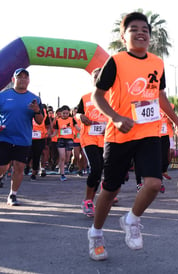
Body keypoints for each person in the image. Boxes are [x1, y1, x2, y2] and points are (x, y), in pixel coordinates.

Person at [86, 12, 178, 261]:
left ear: (150, 36)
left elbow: (160, 97)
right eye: (134, 29)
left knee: (153, 183)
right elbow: (98, 96)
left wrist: (177, 120)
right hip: (119, 134)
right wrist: (116, 118)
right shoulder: (116, 61)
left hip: (149, 131)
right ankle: (96, 233)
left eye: (145, 29)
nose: (141, 32)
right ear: (124, 35)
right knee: (110, 190)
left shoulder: (157, 63)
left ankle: (131, 219)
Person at [0, 68, 44, 206]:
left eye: (25, 77)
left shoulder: (35, 99)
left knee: (19, 167)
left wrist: (37, 110)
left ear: (29, 81)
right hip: (3, 136)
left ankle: (13, 195)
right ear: (13, 80)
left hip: (23, 138)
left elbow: (40, 120)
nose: (22, 79)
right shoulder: (2, 96)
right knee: (2, 167)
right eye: (19, 77)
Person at [76, 67, 108, 217]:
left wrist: (109, 126)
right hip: (88, 137)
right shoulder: (85, 97)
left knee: (104, 169)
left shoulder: (112, 96)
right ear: (92, 80)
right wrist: (80, 117)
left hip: (106, 138)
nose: (97, 78)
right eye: (95, 76)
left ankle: (105, 192)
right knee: (95, 168)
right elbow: (76, 113)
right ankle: (88, 201)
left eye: (100, 76)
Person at [52, 105, 81, 182]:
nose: (65, 115)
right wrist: (51, 135)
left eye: (67, 113)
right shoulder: (58, 121)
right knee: (62, 157)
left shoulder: (72, 119)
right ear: (60, 113)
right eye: (63, 113)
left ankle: (65, 165)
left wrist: (83, 131)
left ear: (69, 113)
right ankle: (62, 174)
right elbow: (55, 131)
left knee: (67, 158)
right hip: (61, 140)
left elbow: (77, 127)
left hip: (69, 140)